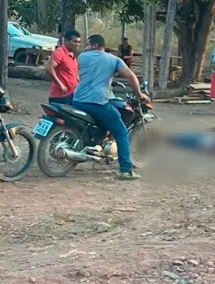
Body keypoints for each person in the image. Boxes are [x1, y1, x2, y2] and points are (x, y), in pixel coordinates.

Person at [72, 34, 148, 180]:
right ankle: (126, 170)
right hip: (98, 102)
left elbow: (81, 75)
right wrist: (139, 95)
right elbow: (131, 76)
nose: (86, 47)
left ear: (94, 45)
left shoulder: (82, 57)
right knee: (121, 132)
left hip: (78, 100)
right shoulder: (114, 60)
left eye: (88, 44)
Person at [46, 30, 81, 105]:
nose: (77, 44)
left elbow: (73, 71)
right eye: (74, 42)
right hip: (60, 96)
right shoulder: (60, 53)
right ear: (66, 41)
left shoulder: (72, 53)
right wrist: (60, 84)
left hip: (71, 94)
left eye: (78, 42)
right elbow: (49, 68)